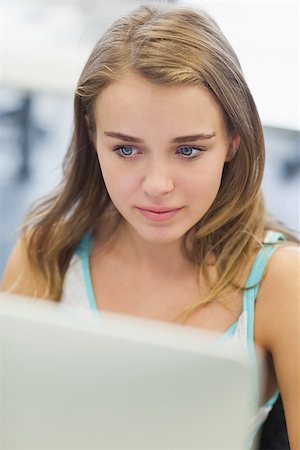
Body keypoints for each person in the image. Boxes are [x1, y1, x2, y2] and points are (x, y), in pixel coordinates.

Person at [1, 2, 299, 449]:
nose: (157, 186)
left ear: (234, 141)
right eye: (126, 150)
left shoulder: (281, 283)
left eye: (188, 150)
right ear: (92, 138)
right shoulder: (47, 249)